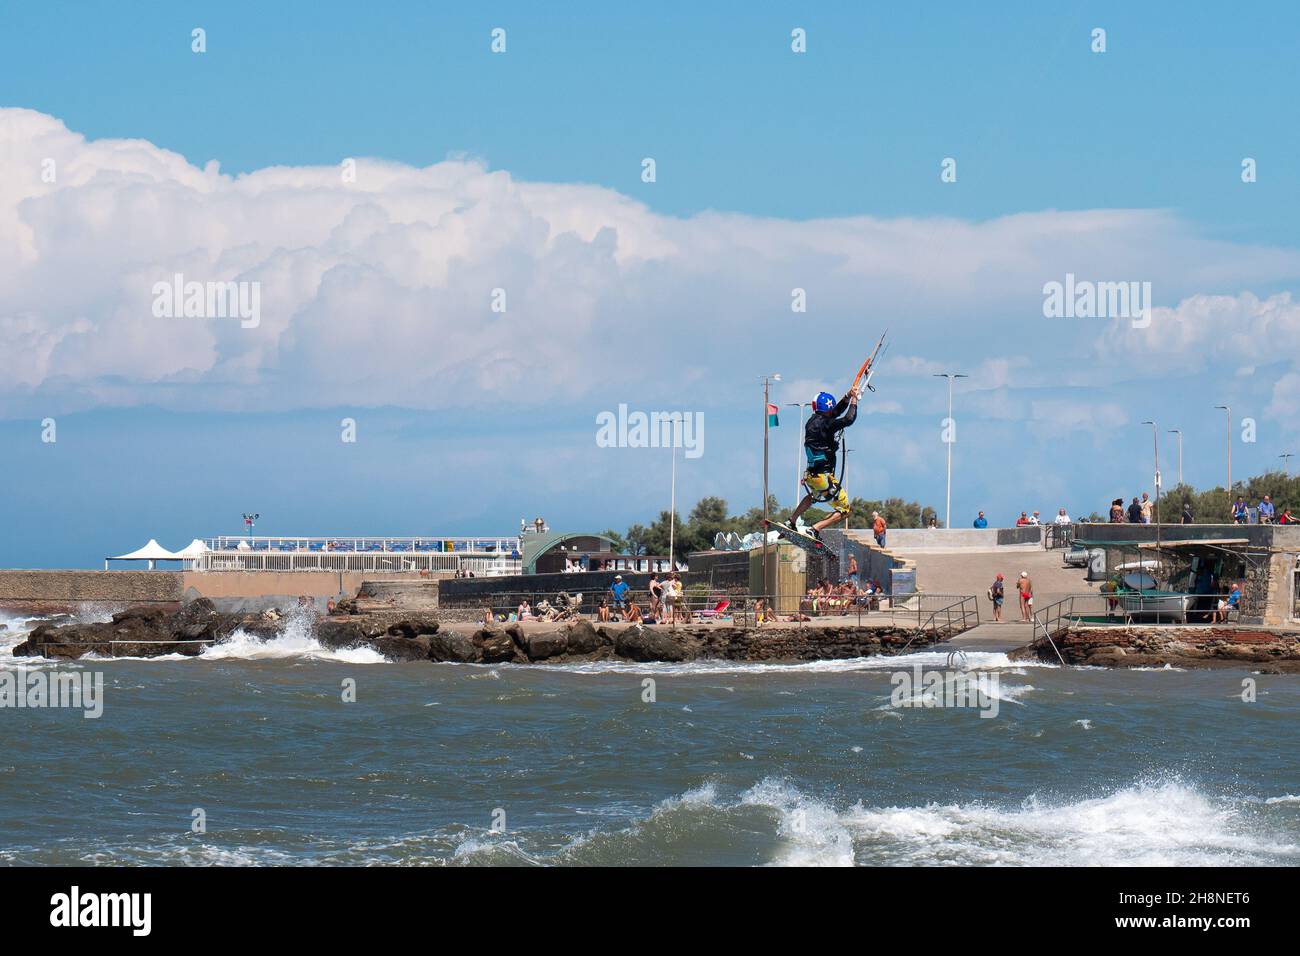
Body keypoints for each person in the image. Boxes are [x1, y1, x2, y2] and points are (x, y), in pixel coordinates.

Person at [788, 388, 861, 538]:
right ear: (829, 408)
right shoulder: (827, 425)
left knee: (813, 496)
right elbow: (848, 419)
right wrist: (855, 400)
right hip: (823, 479)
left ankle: (792, 520)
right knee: (845, 509)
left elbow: (834, 413)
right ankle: (814, 529)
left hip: (811, 476)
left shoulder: (812, 422)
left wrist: (847, 396)